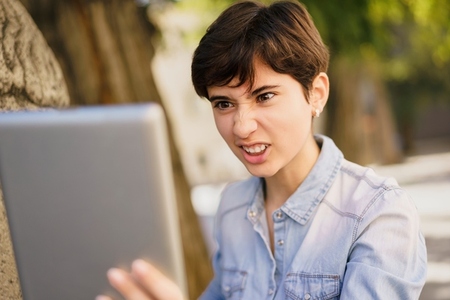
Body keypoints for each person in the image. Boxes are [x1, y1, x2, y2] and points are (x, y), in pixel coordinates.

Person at [97, 1, 427, 299]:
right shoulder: (232, 208)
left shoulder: (379, 214)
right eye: (224, 103)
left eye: (264, 96)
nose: (241, 127)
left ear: (317, 94)